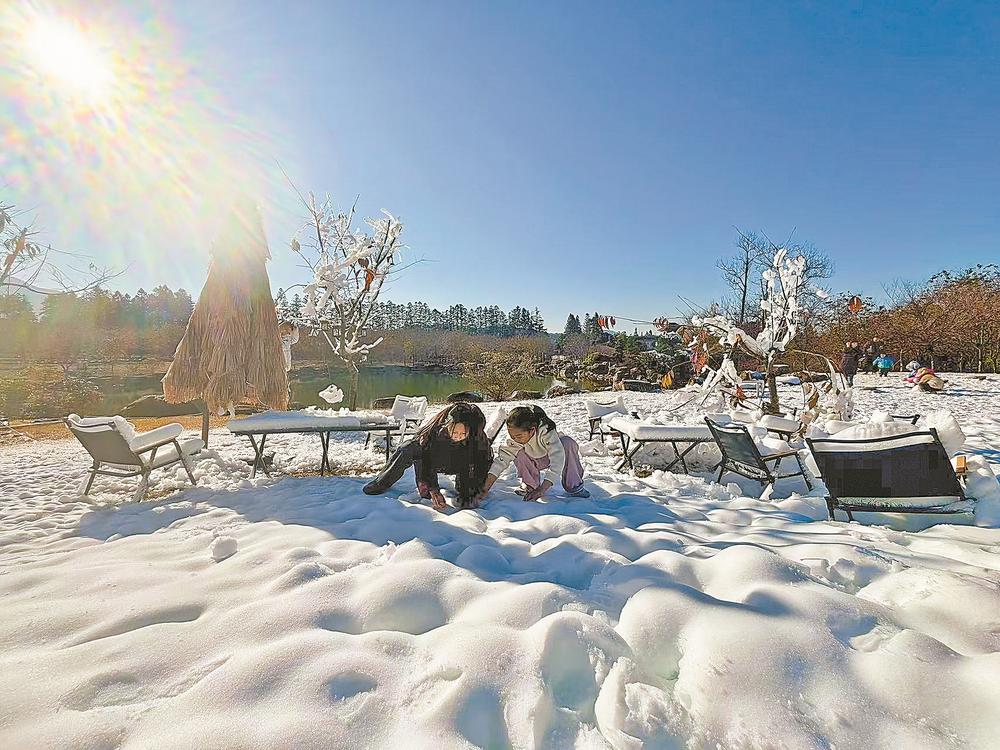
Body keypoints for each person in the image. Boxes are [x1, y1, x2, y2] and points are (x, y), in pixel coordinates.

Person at [362, 402, 492, 510]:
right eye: (454, 432)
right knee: (407, 449)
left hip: (462, 461)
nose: (457, 436)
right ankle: (381, 483)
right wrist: (433, 489)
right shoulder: (434, 432)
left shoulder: (477, 438)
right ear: (447, 426)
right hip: (436, 459)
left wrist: (476, 488)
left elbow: (482, 463)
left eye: (462, 434)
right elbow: (426, 460)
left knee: (468, 497)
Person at [477, 405, 590, 502]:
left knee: (568, 443)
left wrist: (542, 489)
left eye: (519, 436)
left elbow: (557, 460)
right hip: (533, 459)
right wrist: (485, 488)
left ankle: (574, 486)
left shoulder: (546, 431)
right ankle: (530, 485)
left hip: (552, 456)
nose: (515, 439)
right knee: (518, 452)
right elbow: (501, 460)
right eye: (512, 436)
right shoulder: (515, 435)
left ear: (532, 430)